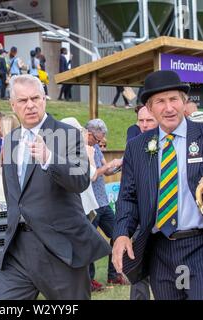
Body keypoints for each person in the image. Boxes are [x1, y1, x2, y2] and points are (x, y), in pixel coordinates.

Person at [112, 70, 203, 300]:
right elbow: (128, 197)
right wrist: (121, 234)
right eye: (160, 101)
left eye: (174, 99)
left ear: (184, 102)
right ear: (149, 107)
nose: (169, 108)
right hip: (159, 251)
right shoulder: (137, 147)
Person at [0, 75, 110, 300]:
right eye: (22, 100)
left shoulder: (68, 134)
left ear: (44, 99)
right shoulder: (10, 141)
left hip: (60, 248)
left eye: (35, 98)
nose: (30, 105)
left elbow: (80, 181)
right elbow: (13, 194)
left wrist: (49, 158)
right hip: (18, 248)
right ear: (12, 105)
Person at [85, 119, 126, 291]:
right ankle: (89, 281)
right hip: (90, 204)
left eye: (101, 140)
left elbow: (105, 170)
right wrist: (109, 165)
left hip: (103, 202)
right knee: (89, 242)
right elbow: (92, 175)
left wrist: (118, 166)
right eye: (97, 139)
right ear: (88, 133)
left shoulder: (94, 147)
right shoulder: (80, 149)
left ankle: (113, 275)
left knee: (118, 234)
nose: (98, 143)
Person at [125, 105, 158, 300]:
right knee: (138, 268)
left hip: (166, 217)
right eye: (141, 121)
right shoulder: (135, 145)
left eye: (149, 121)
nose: (144, 125)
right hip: (141, 218)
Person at [61, 117, 99, 217]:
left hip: (73, 208)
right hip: (79, 208)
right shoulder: (74, 152)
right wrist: (90, 157)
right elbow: (93, 176)